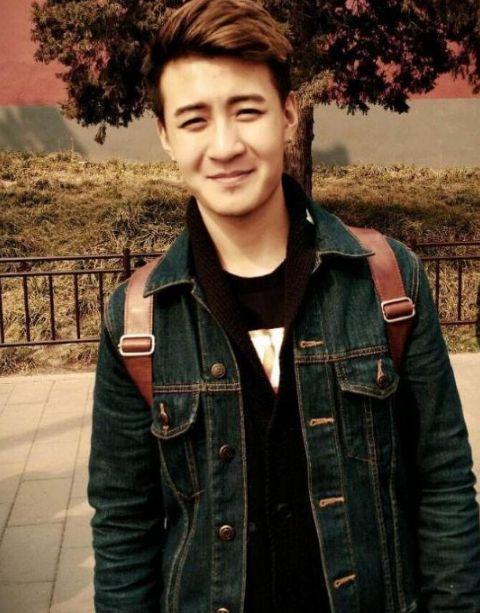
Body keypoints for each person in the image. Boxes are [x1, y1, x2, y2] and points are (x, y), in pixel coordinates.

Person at [87, 0, 480, 611]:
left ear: (289, 114)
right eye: (194, 120)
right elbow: (123, 528)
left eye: (247, 111)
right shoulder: (139, 321)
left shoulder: (386, 283)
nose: (225, 146)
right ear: (165, 135)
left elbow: (445, 482)